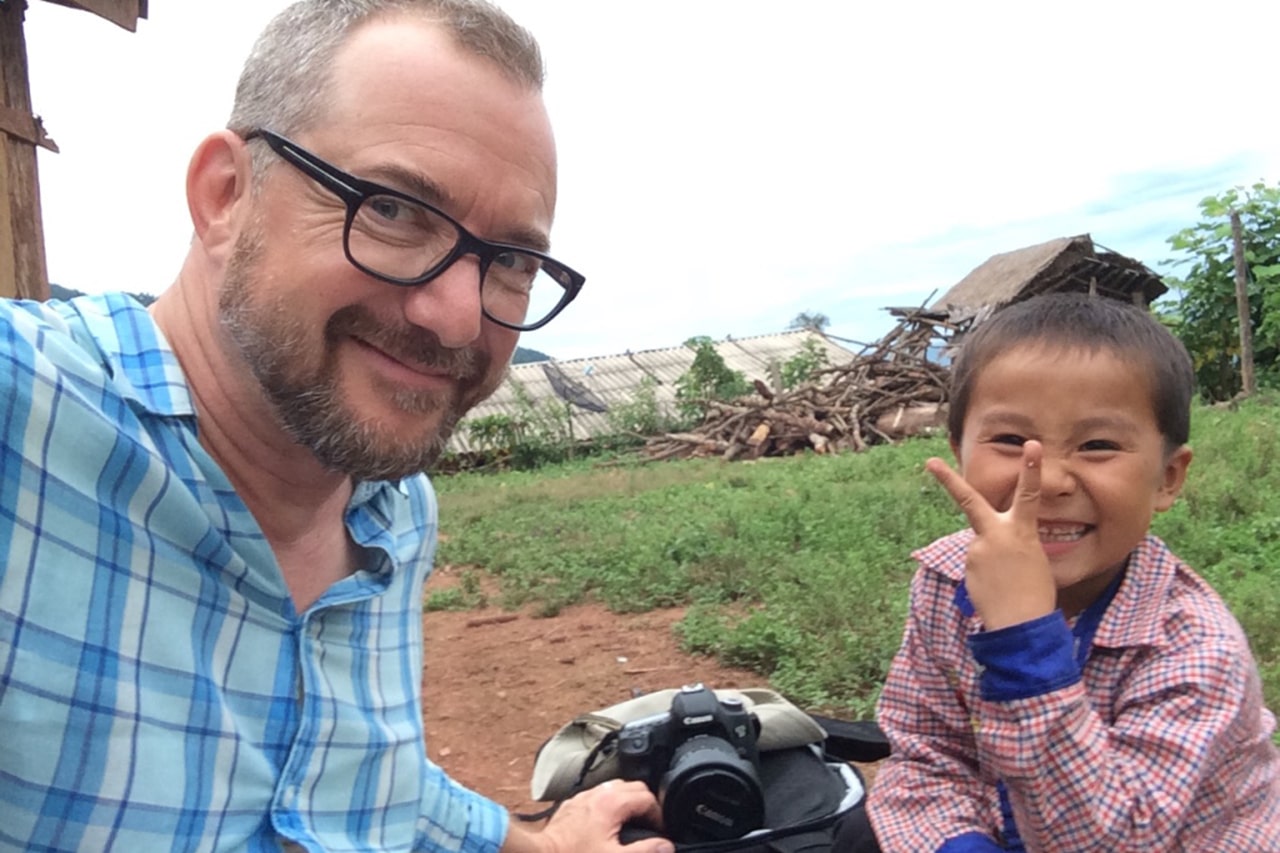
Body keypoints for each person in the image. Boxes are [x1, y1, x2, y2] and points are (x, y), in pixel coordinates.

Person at [0, 2, 674, 851]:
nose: (458, 318)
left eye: (512, 261)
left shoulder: (396, 509)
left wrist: (537, 845)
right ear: (225, 195)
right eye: (393, 210)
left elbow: (355, 767)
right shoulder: (22, 413)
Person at [865, 292, 1280, 851]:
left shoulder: (1196, 650)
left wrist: (1025, 644)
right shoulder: (945, 581)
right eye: (1011, 440)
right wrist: (954, 841)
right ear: (958, 450)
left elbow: (1108, 842)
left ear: (1168, 478)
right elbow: (926, 750)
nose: (1050, 479)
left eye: (1098, 445)